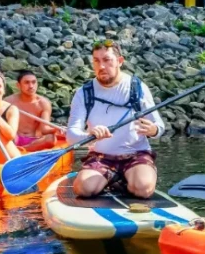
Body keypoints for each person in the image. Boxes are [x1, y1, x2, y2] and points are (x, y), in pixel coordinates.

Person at [66, 41, 165, 199]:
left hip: (136, 154)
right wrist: (88, 135)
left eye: (107, 60)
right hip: (101, 156)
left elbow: (160, 127)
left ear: (119, 61)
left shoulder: (137, 88)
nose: (101, 66)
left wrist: (153, 130)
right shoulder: (84, 93)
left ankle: (125, 179)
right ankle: (111, 179)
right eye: (96, 61)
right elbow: (71, 136)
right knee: (84, 189)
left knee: (143, 190)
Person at [6, 70, 61, 152]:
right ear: (18, 85)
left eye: (34, 82)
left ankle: (24, 149)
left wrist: (56, 129)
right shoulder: (9, 101)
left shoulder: (43, 103)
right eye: (27, 83)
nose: (31, 86)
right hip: (14, 138)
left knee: (51, 139)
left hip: (34, 140)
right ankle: (17, 149)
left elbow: (44, 129)